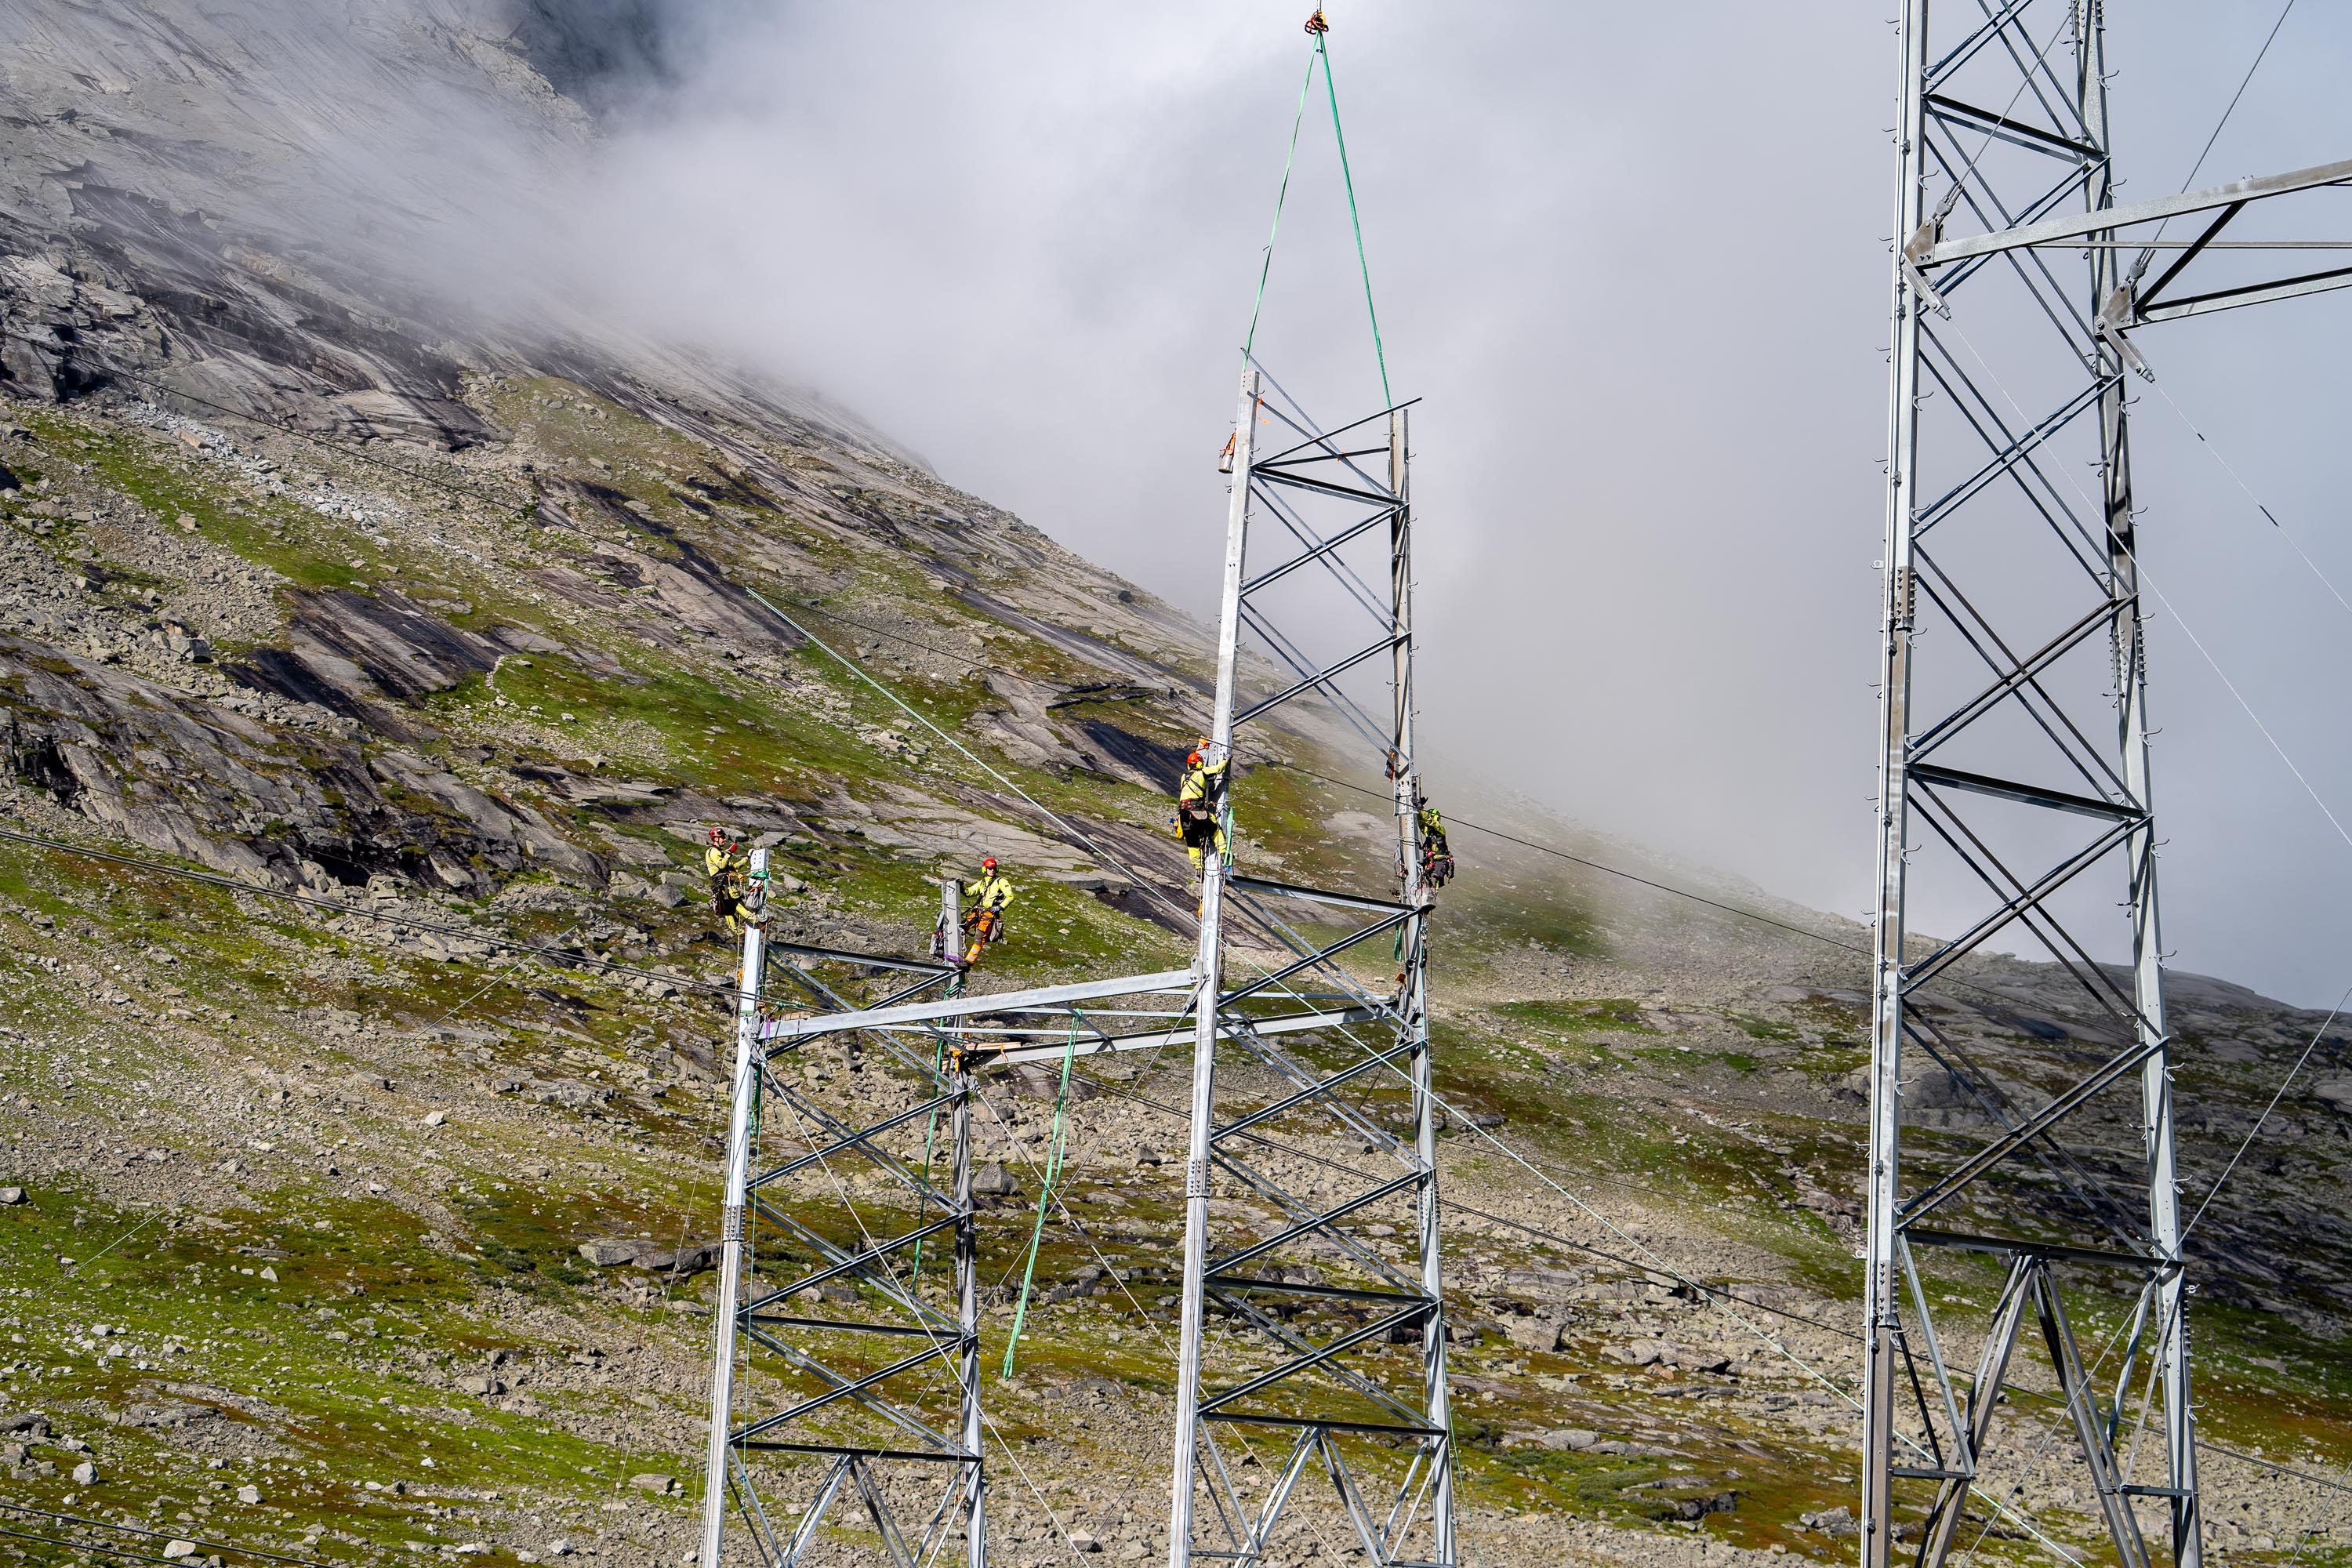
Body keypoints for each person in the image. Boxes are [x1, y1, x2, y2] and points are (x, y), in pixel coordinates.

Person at [1174, 744, 1229, 877]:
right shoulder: (1202, 773)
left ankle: (1198, 867)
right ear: (1199, 764)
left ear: (1188, 766)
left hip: (1184, 814)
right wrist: (1226, 759)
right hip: (1197, 811)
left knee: (1192, 840)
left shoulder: (1183, 778)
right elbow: (1218, 769)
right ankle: (1223, 853)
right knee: (1214, 828)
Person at [959, 856, 1014, 967]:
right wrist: (961, 885)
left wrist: (999, 907)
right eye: (990, 868)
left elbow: (1010, 896)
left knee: (980, 937)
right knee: (962, 926)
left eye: (994, 868)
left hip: (990, 914)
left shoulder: (1001, 881)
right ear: (985, 869)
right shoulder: (982, 882)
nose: (992, 870)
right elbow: (969, 892)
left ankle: (968, 962)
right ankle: (944, 950)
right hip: (979, 912)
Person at [705, 828, 746, 927]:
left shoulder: (719, 853)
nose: (724, 839)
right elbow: (722, 865)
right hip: (723, 885)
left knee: (728, 903)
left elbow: (733, 867)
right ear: (715, 839)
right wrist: (730, 852)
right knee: (732, 902)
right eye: (722, 837)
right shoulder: (714, 852)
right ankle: (754, 920)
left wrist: (747, 858)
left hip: (724, 884)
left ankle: (737, 928)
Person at [1418, 803, 1455, 890]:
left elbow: (1429, 821)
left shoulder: (1440, 828)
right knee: (1425, 880)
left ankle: (1431, 897)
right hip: (1431, 861)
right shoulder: (1429, 833)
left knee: (1434, 879)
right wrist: (1418, 810)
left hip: (1440, 860)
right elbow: (1421, 823)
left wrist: (1420, 808)